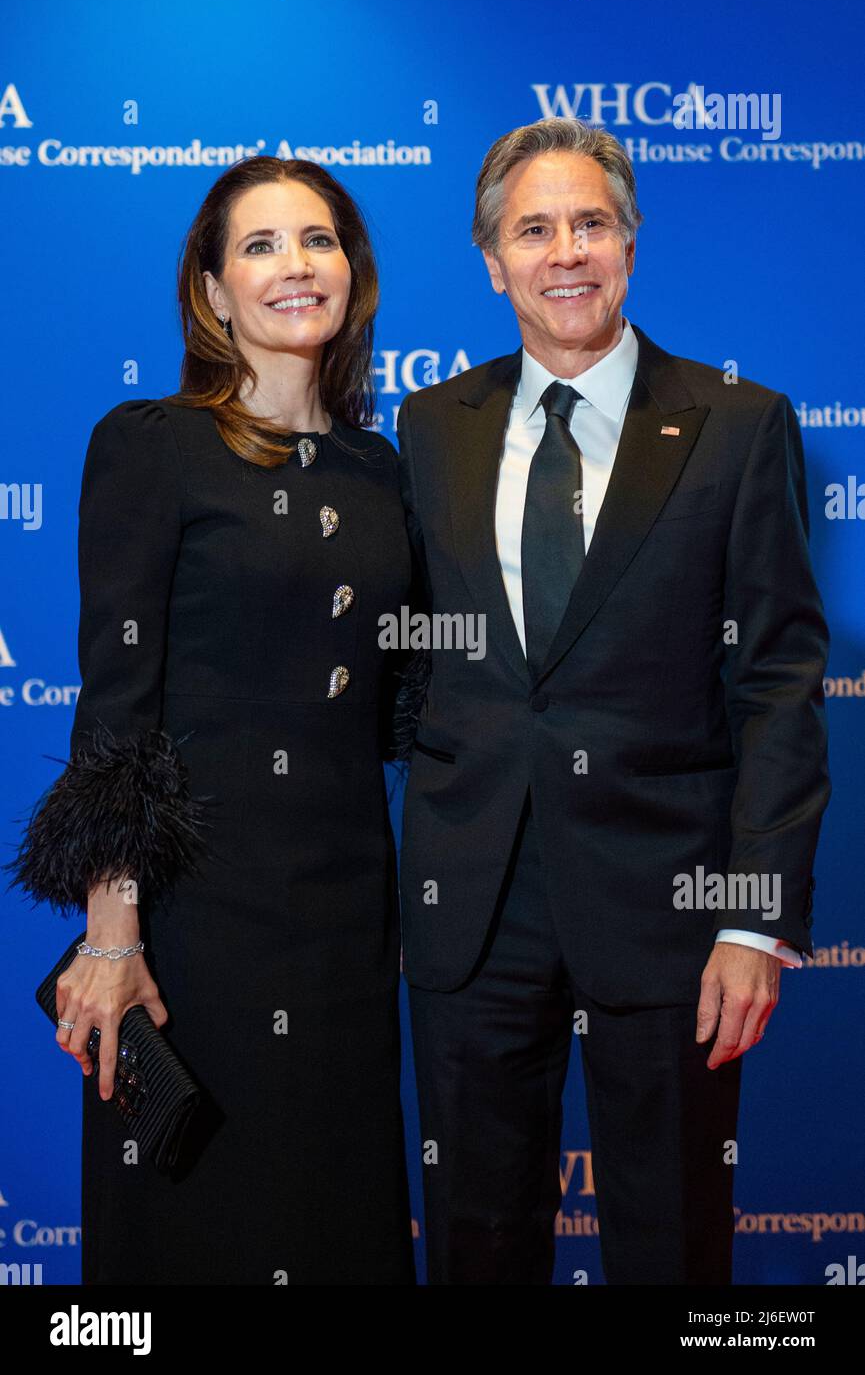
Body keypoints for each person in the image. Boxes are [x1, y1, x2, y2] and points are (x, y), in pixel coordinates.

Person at [395, 117, 830, 1285]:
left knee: (675, 1242)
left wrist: (752, 918)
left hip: (674, 913)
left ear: (630, 244)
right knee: (477, 1240)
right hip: (472, 909)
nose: (565, 251)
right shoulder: (430, 426)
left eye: (590, 222)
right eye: (532, 229)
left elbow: (780, 684)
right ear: (491, 260)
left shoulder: (739, 428)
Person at [8, 156, 416, 1285]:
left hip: (343, 917)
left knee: (335, 1219)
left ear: (352, 273)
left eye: (319, 241)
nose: (296, 266)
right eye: (260, 245)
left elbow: (400, 704)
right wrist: (111, 933)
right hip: (194, 919)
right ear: (212, 291)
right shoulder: (152, 443)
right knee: (195, 1230)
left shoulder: (383, 470)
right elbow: (118, 706)